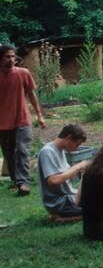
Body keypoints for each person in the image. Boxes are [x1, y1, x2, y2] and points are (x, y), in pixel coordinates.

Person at [0, 44, 46, 197]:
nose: (11, 59)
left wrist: (39, 115)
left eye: (13, 56)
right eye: (7, 56)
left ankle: (23, 182)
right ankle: (16, 180)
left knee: (22, 149)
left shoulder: (23, 73)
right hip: (3, 123)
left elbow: (32, 94)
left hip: (22, 119)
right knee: (9, 154)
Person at [37, 124, 88, 219]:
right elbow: (53, 181)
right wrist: (78, 166)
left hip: (69, 197)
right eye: (77, 144)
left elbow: (67, 176)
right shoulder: (48, 152)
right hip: (59, 203)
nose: (77, 147)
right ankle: (63, 218)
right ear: (69, 137)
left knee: (100, 198)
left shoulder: (60, 151)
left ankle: (64, 218)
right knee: (101, 206)